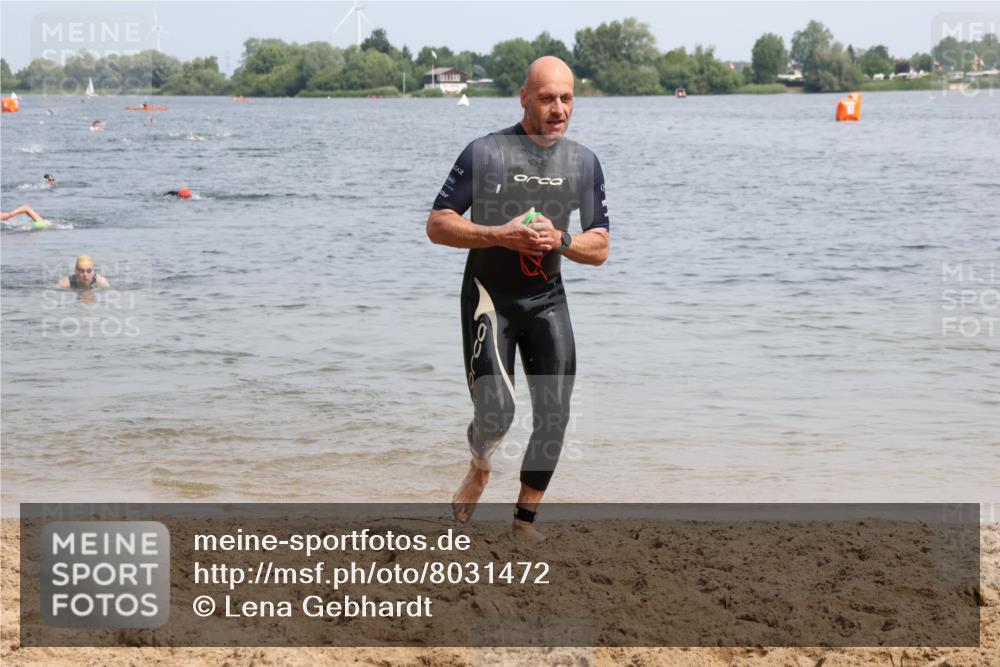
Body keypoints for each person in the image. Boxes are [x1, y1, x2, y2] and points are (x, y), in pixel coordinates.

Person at [426, 56, 610, 541]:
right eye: (547, 98)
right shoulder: (486, 153)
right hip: (490, 297)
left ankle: (523, 524)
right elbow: (438, 224)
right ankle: (480, 464)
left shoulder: (584, 162)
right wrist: (498, 235)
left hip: (547, 300)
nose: (558, 109)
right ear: (524, 98)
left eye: (566, 98)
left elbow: (600, 246)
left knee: (555, 413)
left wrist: (563, 241)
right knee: (497, 413)